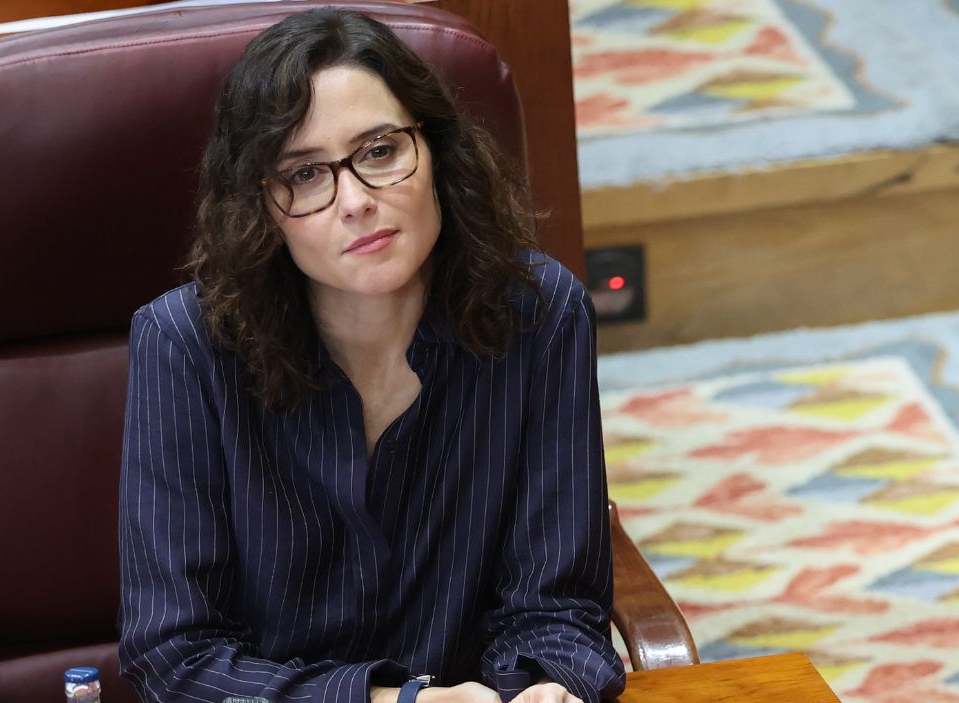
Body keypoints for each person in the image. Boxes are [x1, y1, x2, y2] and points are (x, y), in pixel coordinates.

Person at [118, 8, 625, 703]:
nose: (355, 201)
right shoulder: (185, 346)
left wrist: (544, 683)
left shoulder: (540, 314)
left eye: (381, 151)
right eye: (304, 174)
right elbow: (174, 657)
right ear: (260, 206)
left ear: (437, 152)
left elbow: (559, 605)